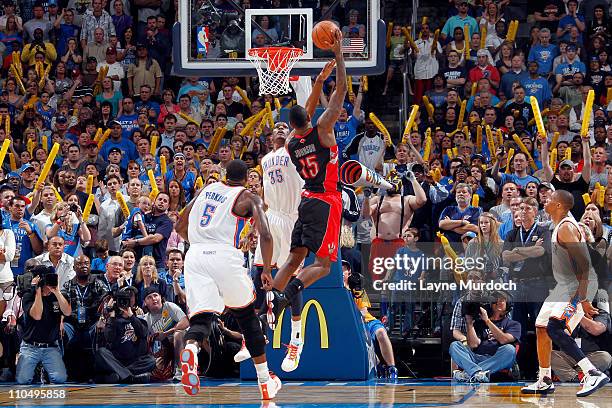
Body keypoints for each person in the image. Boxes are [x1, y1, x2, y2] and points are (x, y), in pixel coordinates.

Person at [263, 30, 346, 331]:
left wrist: (320, 82)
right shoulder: (323, 131)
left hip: (306, 202)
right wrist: (338, 57)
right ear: (311, 119)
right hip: (327, 201)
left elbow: (305, 114)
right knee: (323, 265)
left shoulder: (290, 144)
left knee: (293, 258)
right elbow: (342, 94)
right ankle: (285, 298)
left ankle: (267, 306)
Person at [175, 159, 280, 399]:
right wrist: (266, 269)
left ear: (224, 174)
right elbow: (265, 234)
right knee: (246, 317)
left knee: (202, 317)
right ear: (246, 179)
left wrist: (198, 241)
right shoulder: (248, 197)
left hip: (195, 255)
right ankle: (265, 381)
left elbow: (180, 224)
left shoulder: (205, 191)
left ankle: (190, 349)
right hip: (223, 254)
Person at [521, 190, 610, 396]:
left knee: (554, 327)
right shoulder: (559, 225)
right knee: (541, 327)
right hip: (563, 286)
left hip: (574, 285)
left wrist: (584, 298)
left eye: (550, 199)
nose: (546, 201)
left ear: (559, 205)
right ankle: (544, 379)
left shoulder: (566, 227)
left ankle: (592, 373)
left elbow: (585, 264)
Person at [16, 266, 71, 384]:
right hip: (30, 346)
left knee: (60, 379)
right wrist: (37, 291)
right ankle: (36, 370)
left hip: (51, 346)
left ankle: (44, 369)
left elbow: (67, 312)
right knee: (23, 380)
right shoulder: (28, 295)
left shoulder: (59, 296)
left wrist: (57, 291)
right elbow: (37, 315)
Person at [449, 291, 520, 383]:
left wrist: (487, 321)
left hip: (498, 358)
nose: (497, 302)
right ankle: (477, 373)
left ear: (508, 305)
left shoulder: (513, 325)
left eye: (501, 300)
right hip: (476, 358)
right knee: (454, 345)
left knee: (510, 349)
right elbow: (474, 345)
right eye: (495, 300)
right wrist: (469, 323)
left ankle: (468, 373)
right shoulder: (480, 322)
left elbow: (504, 340)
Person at [343, 259, 397, 379]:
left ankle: (392, 368)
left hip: (366, 321)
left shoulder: (358, 288)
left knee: (381, 332)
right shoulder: (336, 291)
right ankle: (378, 366)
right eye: (340, 270)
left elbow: (363, 312)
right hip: (350, 326)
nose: (342, 272)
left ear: (349, 272)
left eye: (344, 270)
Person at [551, 296, 612, 382]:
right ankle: (575, 377)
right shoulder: (564, 313)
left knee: (605, 357)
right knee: (549, 355)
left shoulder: (600, 313)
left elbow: (596, 329)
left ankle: (574, 375)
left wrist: (578, 315)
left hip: (591, 356)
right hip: (569, 357)